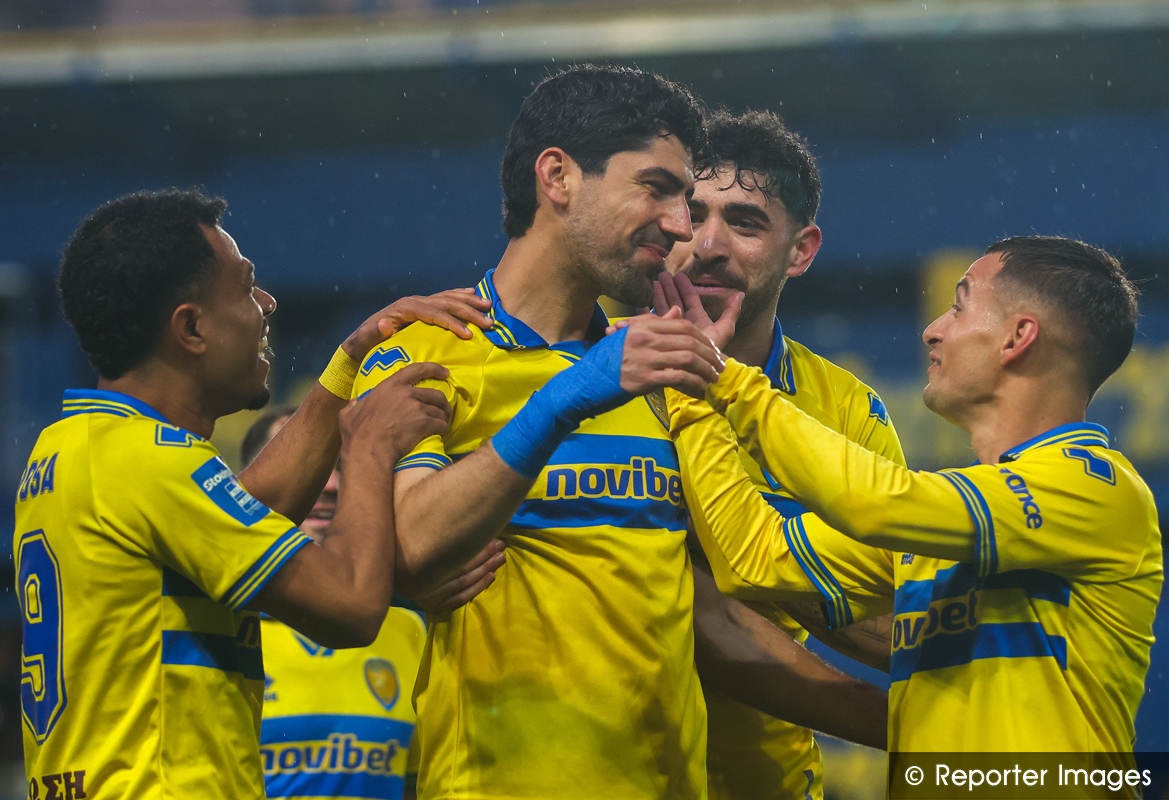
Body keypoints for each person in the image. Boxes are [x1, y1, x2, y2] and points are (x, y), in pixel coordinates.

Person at [353, 64, 888, 800]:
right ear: (558, 177)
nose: (685, 231)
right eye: (661, 191)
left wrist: (942, 720)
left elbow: (710, 613)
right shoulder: (426, 348)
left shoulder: (666, 377)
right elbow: (410, 548)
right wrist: (567, 398)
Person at [13, 187, 495, 800]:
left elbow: (248, 515)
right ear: (191, 328)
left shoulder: (71, 447)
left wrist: (350, 363)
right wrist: (369, 448)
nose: (267, 303)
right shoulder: (152, 461)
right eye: (245, 288)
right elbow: (349, 606)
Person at [661, 235, 1161, 760]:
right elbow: (755, 557)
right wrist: (693, 394)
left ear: (1018, 337)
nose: (932, 329)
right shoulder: (947, 519)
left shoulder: (1097, 489)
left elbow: (873, 501)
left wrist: (728, 381)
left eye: (958, 307)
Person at [663, 109, 902, 800]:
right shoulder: (585, 370)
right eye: (691, 214)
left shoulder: (848, 409)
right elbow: (698, 616)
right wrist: (932, 732)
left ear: (801, 251)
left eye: (744, 222)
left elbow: (860, 609)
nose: (707, 245)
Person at [241, 409, 506, 800]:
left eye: (341, 467)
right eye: (311, 469)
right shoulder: (229, 628)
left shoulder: (408, 628)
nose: (331, 485)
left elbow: (419, 781)